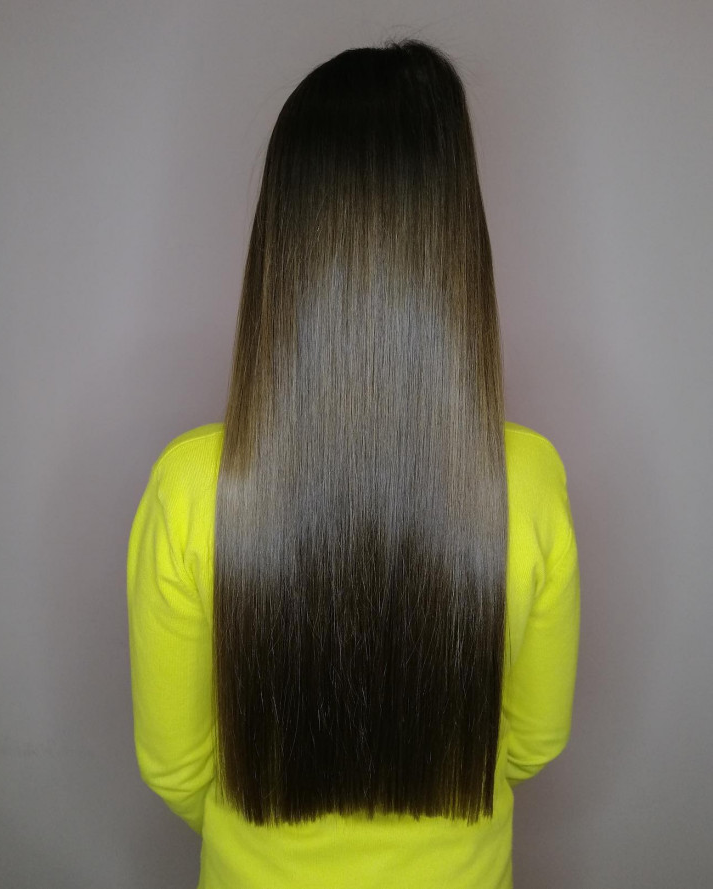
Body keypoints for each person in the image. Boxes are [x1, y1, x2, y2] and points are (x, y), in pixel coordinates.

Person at [127, 37, 581, 889]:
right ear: (456, 247)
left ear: (285, 244)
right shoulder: (525, 481)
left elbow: (175, 765)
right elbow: (533, 739)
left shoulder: (191, 489)